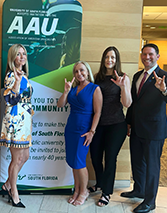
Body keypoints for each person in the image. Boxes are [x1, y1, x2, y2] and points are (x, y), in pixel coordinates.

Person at [121, 43, 167, 213]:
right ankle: (139, 190)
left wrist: (164, 90)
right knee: (137, 162)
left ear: (157, 56)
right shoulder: (138, 75)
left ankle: (150, 201)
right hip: (137, 128)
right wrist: (129, 122)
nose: (147, 57)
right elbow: (133, 103)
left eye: (151, 54)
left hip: (154, 131)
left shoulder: (165, 77)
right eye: (144, 54)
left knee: (152, 166)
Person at [88, 46, 132, 206]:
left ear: (117, 60)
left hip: (117, 125)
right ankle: (99, 183)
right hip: (98, 124)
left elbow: (127, 103)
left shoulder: (123, 78)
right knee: (95, 157)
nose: (109, 60)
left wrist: (122, 87)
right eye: (107, 57)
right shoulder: (96, 78)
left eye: (113, 57)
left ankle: (106, 192)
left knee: (110, 158)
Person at [57, 61, 102, 206]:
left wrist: (92, 132)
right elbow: (60, 105)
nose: (79, 74)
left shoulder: (94, 89)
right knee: (73, 162)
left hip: (84, 131)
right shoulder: (72, 88)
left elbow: (97, 112)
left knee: (80, 162)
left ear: (87, 72)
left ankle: (84, 192)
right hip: (70, 129)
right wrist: (66, 91)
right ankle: (76, 190)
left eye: (82, 70)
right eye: (76, 71)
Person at [0, 44, 34, 208]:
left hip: (25, 120)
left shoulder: (23, 74)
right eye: (18, 54)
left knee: (24, 156)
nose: (22, 56)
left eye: (24, 54)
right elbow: (10, 100)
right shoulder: (11, 76)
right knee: (17, 158)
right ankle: (14, 193)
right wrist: (16, 83)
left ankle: (7, 184)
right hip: (16, 121)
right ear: (12, 57)